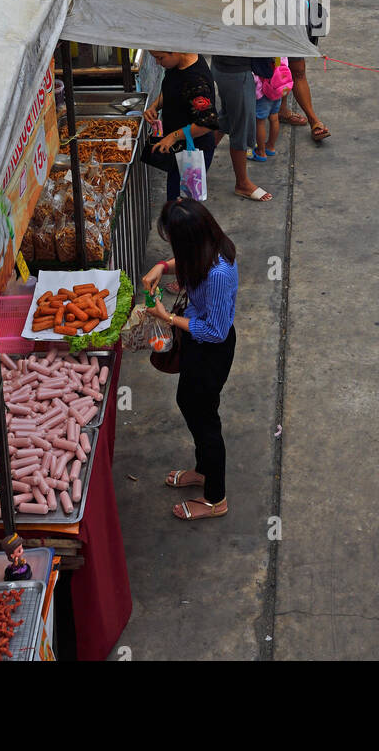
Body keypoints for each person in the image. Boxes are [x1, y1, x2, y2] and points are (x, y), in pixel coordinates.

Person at [143, 201, 237, 519]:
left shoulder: (219, 274)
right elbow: (184, 262)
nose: (171, 247)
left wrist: (166, 316)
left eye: (174, 242)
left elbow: (215, 330)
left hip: (211, 348)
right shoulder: (206, 248)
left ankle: (216, 498)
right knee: (187, 400)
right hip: (198, 344)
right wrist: (162, 266)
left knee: (205, 419)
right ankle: (204, 469)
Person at [280, 0, 333, 142]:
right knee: (292, 67)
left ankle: (282, 110)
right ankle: (314, 121)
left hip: (307, 11)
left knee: (293, 67)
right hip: (283, 11)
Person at [143, 52, 220, 201]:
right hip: (178, 148)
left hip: (192, 151)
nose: (158, 63)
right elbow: (171, 89)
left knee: (182, 205)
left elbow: (208, 123)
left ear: (175, 51)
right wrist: (154, 106)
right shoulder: (177, 64)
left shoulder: (196, 81)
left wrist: (173, 136)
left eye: (160, 57)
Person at [252, 59, 293, 160]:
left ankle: (261, 152)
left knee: (260, 121)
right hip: (278, 88)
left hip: (263, 92)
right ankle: (270, 146)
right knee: (274, 118)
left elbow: (254, 75)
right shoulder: (280, 53)